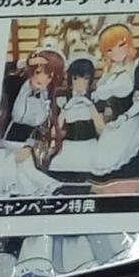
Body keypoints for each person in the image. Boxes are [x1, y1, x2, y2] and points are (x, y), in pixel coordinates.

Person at [0, 48, 64, 197]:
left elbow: (42, 130)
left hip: (25, 148)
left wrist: (28, 146)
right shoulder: (14, 85)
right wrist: (23, 62)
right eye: (38, 72)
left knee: (26, 174)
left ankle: (54, 190)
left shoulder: (47, 100)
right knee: (1, 176)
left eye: (49, 76)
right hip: (2, 144)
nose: (42, 79)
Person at [92, 23, 139, 186]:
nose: (116, 52)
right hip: (114, 125)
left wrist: (124, 118)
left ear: (129, 43)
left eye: (121, 45)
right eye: (110, 50)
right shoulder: (108, 73)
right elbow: (99, 102)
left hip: (134, 119)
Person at [45, 55, 103, 187]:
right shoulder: (62, 100)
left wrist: (90, 106)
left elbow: (102, 130)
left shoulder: (96, 99)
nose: (80, 83)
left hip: (90, 146)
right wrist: (66, 109)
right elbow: (54, 132)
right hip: (68, 146)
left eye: (85, 78)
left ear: (90, 80)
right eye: (75, 78)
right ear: (70, 79)